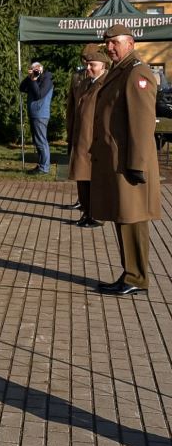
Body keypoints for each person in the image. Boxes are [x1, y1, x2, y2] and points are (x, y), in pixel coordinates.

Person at [91, 25, 160, 296]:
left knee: (133, 219)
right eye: (107, 44)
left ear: (130, 43)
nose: (109, 48)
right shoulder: (121, 71)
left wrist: (137, 164)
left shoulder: (136, 72)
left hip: (130, 162)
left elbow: (142, 124)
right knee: (125, 218)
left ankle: (136, 277)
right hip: (120, 161)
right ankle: (131, 273)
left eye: (115, 43)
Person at [66, 44, 108, 229]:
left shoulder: (106, 83)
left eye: (93, 65)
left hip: (94, 140)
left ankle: (97, 216)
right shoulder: (84, 82)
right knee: (82, 179)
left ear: (103, 66)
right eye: (87, 64)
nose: (89, 68)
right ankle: (86, 212)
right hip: (80, 137)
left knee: (95, 181)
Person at [20, 61, 54, 174]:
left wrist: (34, 80)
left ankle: (44, 168)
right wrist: (30, 77)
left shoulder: (47, 80)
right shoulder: (32, 78)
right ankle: (41, 165)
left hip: (41, 114)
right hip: (34, 114)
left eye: (36, 69)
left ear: (41, 69)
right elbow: (21, 88)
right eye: (32, 69)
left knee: (41, 141)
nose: (35, 71)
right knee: (37, 141)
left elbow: (39, 94)